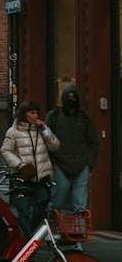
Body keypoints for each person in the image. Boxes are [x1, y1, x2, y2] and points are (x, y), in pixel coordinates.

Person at [1, 100, 60, 237]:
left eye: (37, 113)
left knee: (41, 211)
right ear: (24, 114)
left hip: (41, 179)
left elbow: (55, 146)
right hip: (23, 178)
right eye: (32, 113)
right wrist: (20, 165)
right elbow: (5, 151)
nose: (36, 116)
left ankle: (29, 237)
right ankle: (26, 245)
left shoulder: (40, 130)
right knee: (24, 212)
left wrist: (45, 130)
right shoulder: (13, 131)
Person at [46, 83, 99, 214]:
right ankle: (52, 231)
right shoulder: (54, 116)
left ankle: (79, 232)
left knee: (80, 206)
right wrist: (54, 163)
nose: (71, 99)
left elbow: (93, 142)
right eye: (68, 96)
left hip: (81, 166)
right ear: (63, 98)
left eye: (73, 96)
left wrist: (88, 164)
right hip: (60, 165)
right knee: (55, 203)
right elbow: (45, 140)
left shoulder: (84, 118)